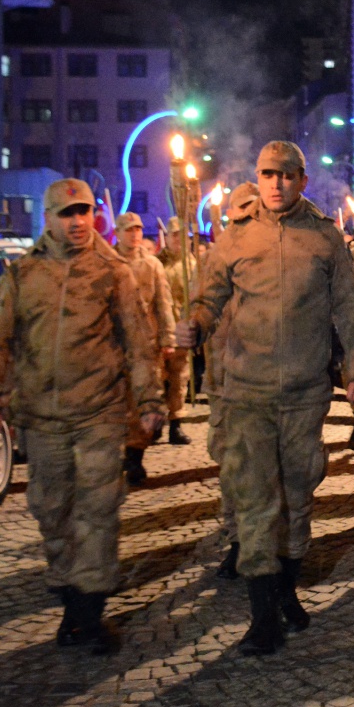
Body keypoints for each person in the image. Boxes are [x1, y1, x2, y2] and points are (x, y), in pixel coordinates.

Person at [175, 142, 354, 656]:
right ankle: (262, 614)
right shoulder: (235, 236)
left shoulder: (327, 239)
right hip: (247, 392)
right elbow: (208, 295)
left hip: (305, 393)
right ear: (258, 178)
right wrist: (195, 323)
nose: (276, 183)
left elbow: (350, 313)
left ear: (302, 180)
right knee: (258, 500)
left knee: (298, 495)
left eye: (286, 175)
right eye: (267, 174)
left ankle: (287, 586)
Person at [0, 179, 164, 652]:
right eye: (67, 213)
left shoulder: (113, 272)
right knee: (51, 509)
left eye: (84, 212)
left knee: (98, 511)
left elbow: (139, 343)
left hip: (99, 412)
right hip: (41, 417)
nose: (78, 221)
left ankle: (88, 610)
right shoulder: (23, 275)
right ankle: (68, 588)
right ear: (49, 218)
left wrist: (151, 402)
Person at [200, 181, 259, 580]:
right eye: (239, 213)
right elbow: (200, 310)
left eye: (252, 213)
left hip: (262, 382)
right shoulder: (214, 260)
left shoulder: (271, 258)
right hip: (223, 384)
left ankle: (274, 545)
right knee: (232, 468)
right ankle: (238, 540)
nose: (245, 220)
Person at [114, 212, 177, 486]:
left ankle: (135, 456)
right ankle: (118, 452)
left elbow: (163, 304)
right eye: (129, 230)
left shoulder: (152, 265)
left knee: (143, 401)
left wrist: (168, 338)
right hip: (114, 347)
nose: (134, 234)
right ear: (118, 233)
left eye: (138, 229)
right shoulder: (108, 264)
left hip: (146, 345)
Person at [160, 216, 195, 446]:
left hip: (182, 330)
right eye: (174, 236)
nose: (179, 240)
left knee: (179, 379)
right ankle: (154, 422)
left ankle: (176, 424)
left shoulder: (194, 265)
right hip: (160, 332)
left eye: (183, 236)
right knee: (157, 380)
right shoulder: (157, 263)